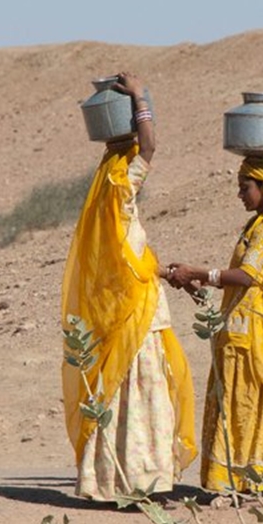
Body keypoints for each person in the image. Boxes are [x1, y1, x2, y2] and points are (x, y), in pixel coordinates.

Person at [61, 72, 196, 501]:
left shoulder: (102, 186)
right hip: (136, 310)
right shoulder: (120, 182)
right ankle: (142, 481)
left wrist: (161, 272)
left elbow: (124, 251)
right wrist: (140, 97)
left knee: (120, 390)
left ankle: (110, 479)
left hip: (125, 302)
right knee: (145, 386)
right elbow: (151, 145)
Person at [167, 159, 263, 495]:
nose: (240, 194)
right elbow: (236, 288)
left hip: (257, 337)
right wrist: (191, 285)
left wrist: (197, 272)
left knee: (256, 401)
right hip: (237, 331)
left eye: (245, 187)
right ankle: (239, 480)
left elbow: (248, 277)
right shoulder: (256, 225)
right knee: (236, 403)